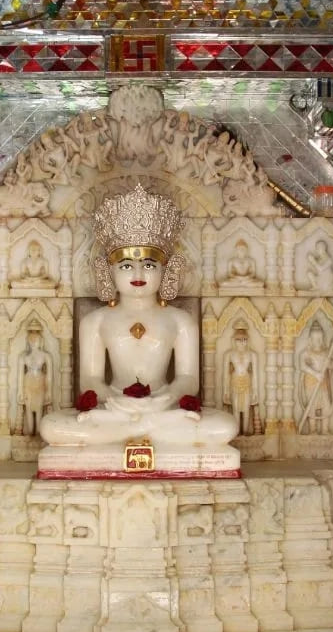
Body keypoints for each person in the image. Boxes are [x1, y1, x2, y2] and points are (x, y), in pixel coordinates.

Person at [39, 184, 237, 449]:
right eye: (126, 266)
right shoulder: (95, 322)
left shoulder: (180, 321)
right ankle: (146, 429)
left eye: (149, 265)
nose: (138, 274)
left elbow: (188, 379)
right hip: (114, 408)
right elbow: (90, 379)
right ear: (108, 271)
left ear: (166, 270)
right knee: (50, 427)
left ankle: (134, 430)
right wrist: (115, 400)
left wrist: (166, 398)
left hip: (163, 407)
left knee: (225, 426)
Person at [297, 320, 333, 435]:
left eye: (320, 338)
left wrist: (330, 364)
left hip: (324, 384)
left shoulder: (327, 352)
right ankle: (313, 430)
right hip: (311, 384)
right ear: (310, 340)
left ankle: (325, 430)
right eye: (315, 339)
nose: (318, 341)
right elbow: (302, 366)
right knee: (311, 407)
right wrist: (315, 374)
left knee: (326, 406)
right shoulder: (306, 353)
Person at [223, 321, 259, 435]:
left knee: (246, 409)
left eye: (244, 340)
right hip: (234, 382)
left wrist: (255, 391)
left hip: (247, 383)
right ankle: (237, 434)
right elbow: (225, 374)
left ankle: (245, 433)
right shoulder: (229, 354)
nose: (242, 343)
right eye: (239, 340)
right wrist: (225, 391)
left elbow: (255, 374)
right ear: (234, 340)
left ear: (248, 340)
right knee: (236, 409)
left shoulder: (252, 355)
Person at [17, 321, 52, 436]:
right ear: (28, 341)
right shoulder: (23, 357)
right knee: (28, 408)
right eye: (31, 340)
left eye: (35, 340)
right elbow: (20, 376)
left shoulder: (45, 356)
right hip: (28, 383)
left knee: (39, 408)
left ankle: (38, 433)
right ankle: (30, 433)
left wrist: (49, 391)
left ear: (40, 341)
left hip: (40, 383)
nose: (33, 342)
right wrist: (20, 391)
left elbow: (49, 376)